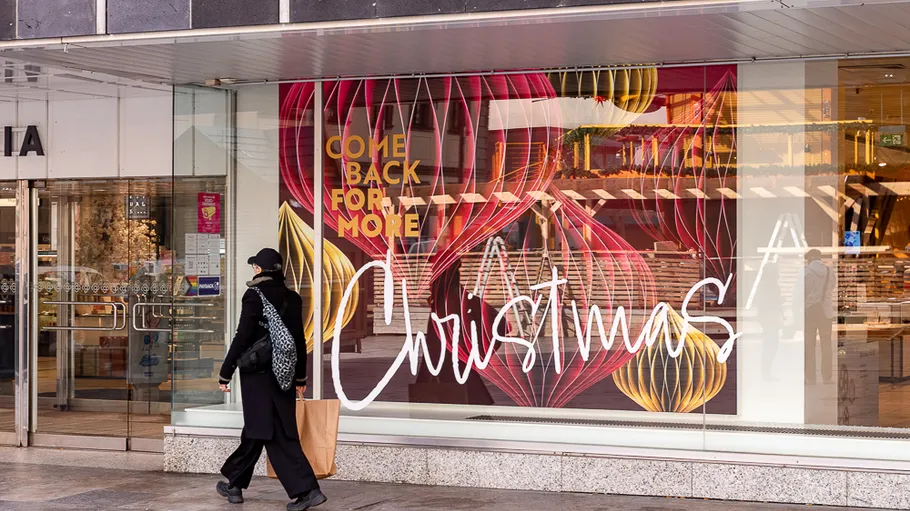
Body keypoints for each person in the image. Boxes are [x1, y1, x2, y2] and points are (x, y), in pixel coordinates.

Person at [216, 248, 326, 511]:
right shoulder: (292, 298)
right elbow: (299, 341)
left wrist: (225, 371)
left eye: (254, 266)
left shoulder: (253, 296)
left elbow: (242, 337)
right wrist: (301, 375)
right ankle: (234, 484)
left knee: (275, 433)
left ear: (258, 269)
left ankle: (307, 490)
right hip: (285, 374)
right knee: (259, 428)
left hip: (258, 376)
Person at [803, 248, 835, 385]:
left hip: (810, 311)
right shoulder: (829, 271)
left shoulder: (805, 272)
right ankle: (827, 376)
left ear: (809, 258)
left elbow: (801, 291)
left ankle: (810, 377)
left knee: (809, 345)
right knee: (826, 344)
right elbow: (831, 287)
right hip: (825, 312)